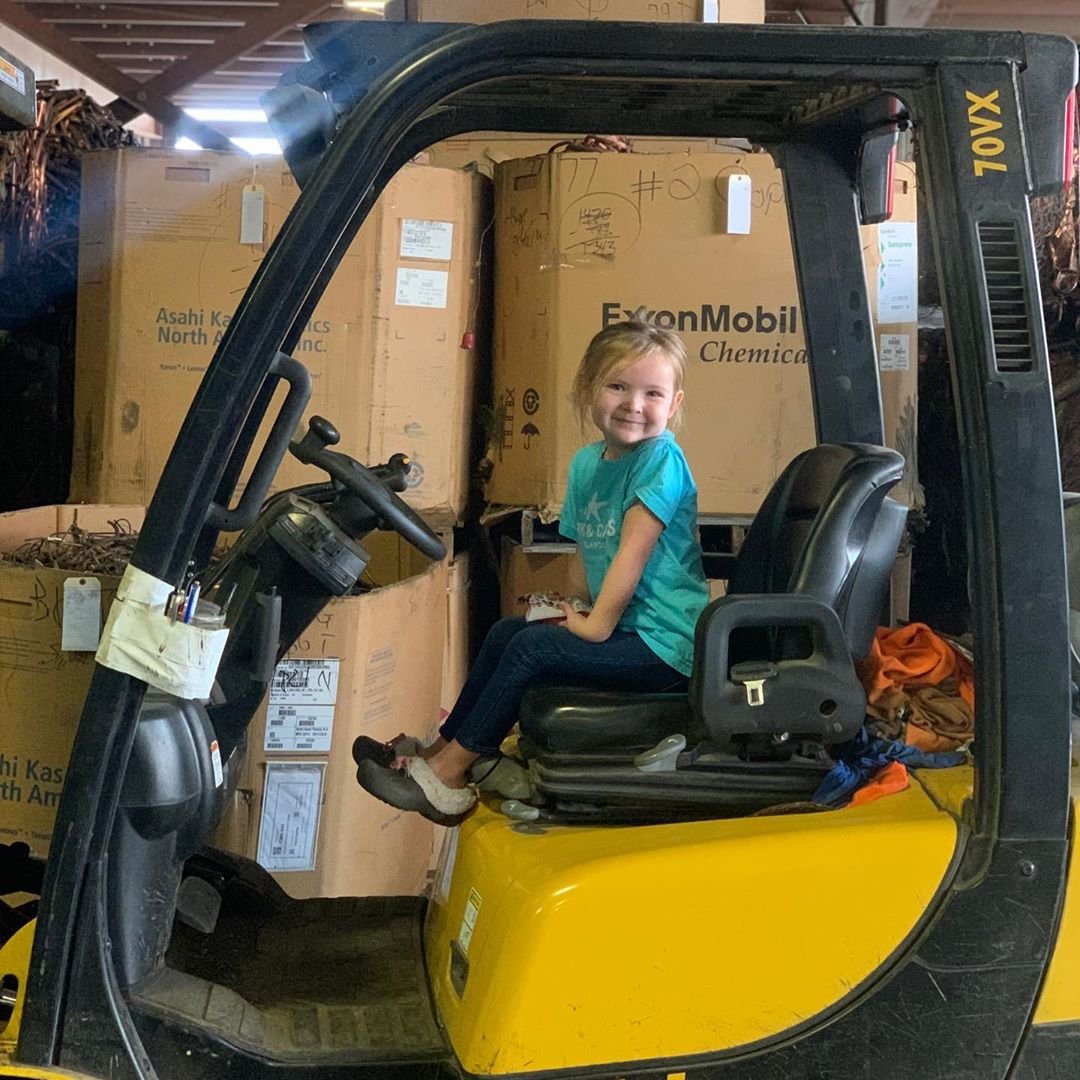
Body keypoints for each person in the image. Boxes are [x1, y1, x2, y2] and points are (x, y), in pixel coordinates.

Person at [354, 319, 710, 824]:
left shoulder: (660, 462)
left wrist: (594, 626)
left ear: (674, 405)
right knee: (508, 632)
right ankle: (438, 750)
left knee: (532, 649)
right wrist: (572, 608)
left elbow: (632, 554)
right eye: (618, 386)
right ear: (589, 389)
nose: (634, 404)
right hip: (627, 628)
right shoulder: (587, 464)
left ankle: (450, 776)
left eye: (653, 393)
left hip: (666, 644)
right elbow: (589, 552)